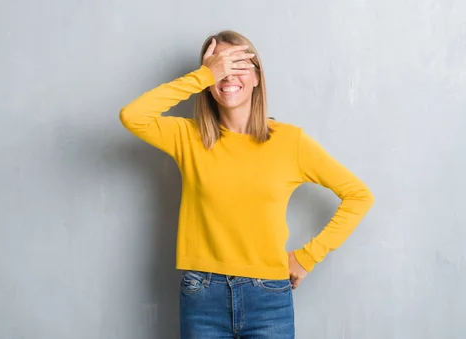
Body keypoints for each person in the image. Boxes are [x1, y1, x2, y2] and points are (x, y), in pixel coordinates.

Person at [119, 30, 374, 339]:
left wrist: (307, 257)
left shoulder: (290, 142)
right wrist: (202, 75)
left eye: (238, 64)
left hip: (268, 298)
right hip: (202, 295)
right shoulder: (188, 137)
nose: (228, 75)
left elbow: (359, 196)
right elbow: (132, 116)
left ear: (256, 77)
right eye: (220, 66)